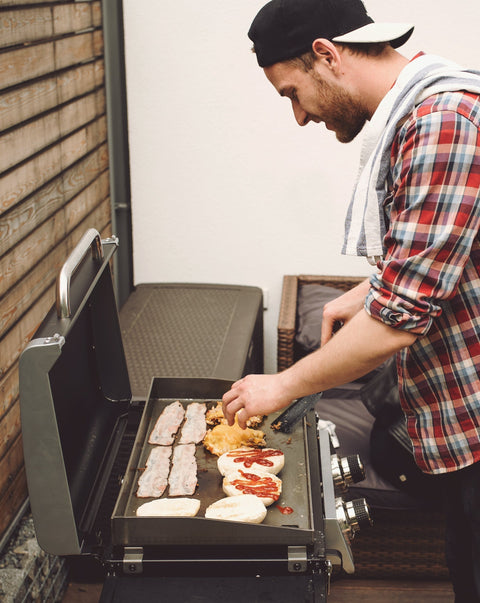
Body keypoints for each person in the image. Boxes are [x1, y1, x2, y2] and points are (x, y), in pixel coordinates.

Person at [221, 0, 480, 600]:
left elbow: (397, 323)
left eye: (292, 93)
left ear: (326, 55)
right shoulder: (427, 107)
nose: (299, 117)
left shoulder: (442, 121)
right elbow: (450, 244)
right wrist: (369, 289)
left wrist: (283, 384)